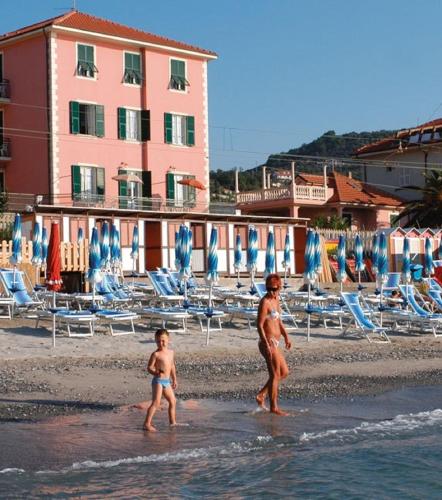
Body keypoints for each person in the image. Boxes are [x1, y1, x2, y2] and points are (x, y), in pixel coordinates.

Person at [256, 273, 292, 416]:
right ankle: (274, 407)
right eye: (269, 289)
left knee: (284, 372)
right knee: (275, 374)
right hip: (267, 342)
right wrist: (265, 342)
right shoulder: (264, 302)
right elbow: (259, 325)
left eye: (274, 289)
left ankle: (261, 395)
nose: (271, 291)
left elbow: (279, 322)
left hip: (276, 342)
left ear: (279, 288)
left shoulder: (276, 300)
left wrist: (286, 337)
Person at [143, 328, 177, 431]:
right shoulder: (156, 354)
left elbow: (172, 366)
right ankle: (147, 424)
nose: (161, 343)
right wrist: (156, 372)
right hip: (158, 381)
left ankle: (172, 422)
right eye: (158, 341)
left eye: (163, 340)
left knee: (173, 401)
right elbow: (149, 368)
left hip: (166, 381)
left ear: (168, 340)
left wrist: (174, 379)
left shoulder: (171, 352)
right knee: (156, 403)